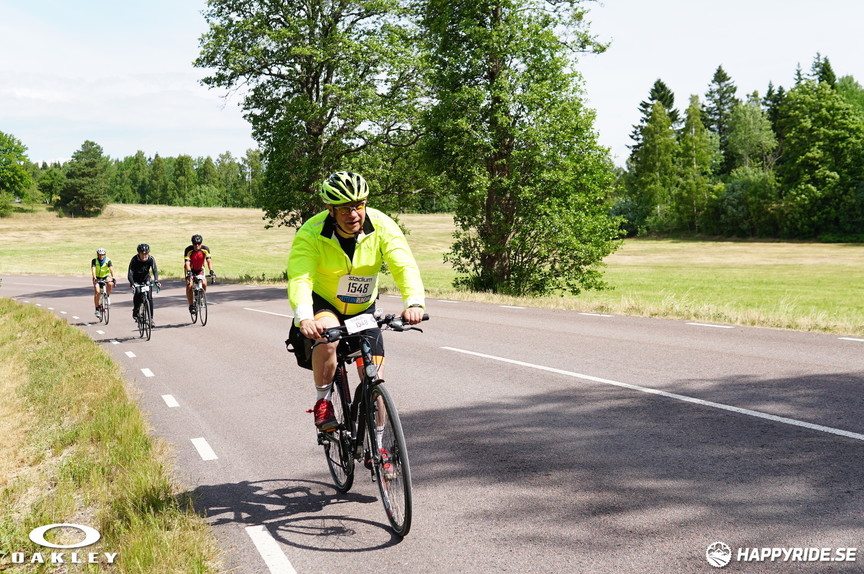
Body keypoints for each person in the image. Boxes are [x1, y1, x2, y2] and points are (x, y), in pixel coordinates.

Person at [287, 171, 426, 430]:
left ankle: (381, 447)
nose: (353, 214)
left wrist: (414, 302)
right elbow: (300, 277)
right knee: (328, 337)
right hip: (326, 302)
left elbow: (403, 264)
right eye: (344, 209)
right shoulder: (311, 233)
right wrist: (304, 317)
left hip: (363, 307)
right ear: (330, 209)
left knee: (375, 381)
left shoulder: (382, 225)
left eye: (358, 206)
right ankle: (323, 401)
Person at [127, 243, 161, 326]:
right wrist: (132, 283)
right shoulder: (135, 260)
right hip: (136, 279)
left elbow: (155, 270)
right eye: (143, 254)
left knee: (149, 297)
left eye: (146, 253)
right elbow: (130, 274)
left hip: (146, 279)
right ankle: (136, 311)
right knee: (138, 293)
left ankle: (151, 319)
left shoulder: (150, 259)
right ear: (139, 253)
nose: (145, 255)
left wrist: (156, 281)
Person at [184, 234, 215, 313]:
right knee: (189, 285)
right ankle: (191, 306)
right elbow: (187, 263)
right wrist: (189, 272)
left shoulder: (205, 249)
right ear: (192, 243)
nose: (197, 245)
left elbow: (209, 261)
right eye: (195, 244)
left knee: (204, 283)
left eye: (198, 243)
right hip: (190, 269)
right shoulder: (188, 250)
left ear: (201, 243)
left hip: (200, 269)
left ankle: (201, 297)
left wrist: (211, 270)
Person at [90, 248, 116, 318]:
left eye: (103, 255)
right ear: (97, 255)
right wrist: (95, 278)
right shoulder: (94, 261)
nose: (101, 256)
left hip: (105, 276)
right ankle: (97, 309)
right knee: (97, 292)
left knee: (110, 284)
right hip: (97, 277)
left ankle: (107, 296)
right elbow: (93, 270)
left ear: (105, 255)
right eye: (100, 255)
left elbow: (111, 269)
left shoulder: (108, 260)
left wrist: (113, 277)